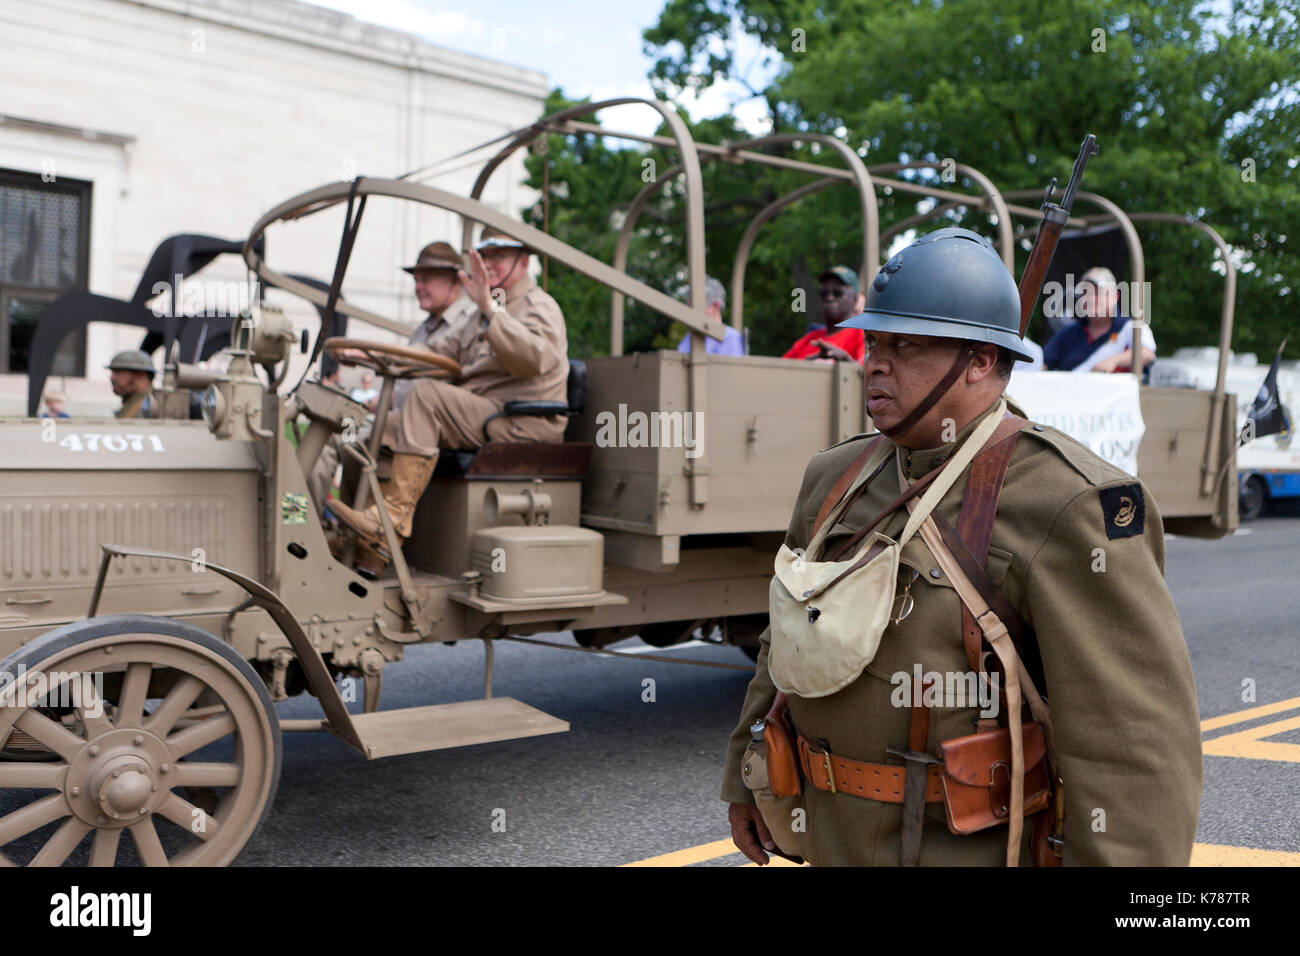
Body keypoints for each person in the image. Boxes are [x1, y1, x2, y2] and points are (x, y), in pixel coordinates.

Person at [724, 227, 1200, 866]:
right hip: (828, 837)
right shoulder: (834, 477)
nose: (876, 362)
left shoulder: (1067, 500)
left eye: (907, 345)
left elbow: (1132, 746)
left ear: (979, 360)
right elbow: (784, 636)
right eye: (874, 341)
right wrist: (747, 779)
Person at [331, 224, 569, 573]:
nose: (488, 264)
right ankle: (365, 546)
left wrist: (489, 307)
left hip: (522, 420)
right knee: (380, 429)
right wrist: (366, 353)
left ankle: (392, 520)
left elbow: (533, 358)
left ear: (524, 259)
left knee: (427, 396)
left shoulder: (538, 306)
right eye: (484, 256)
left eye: (498, 256)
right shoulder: (478, 314)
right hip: (484, 416)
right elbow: (436, 351)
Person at [307, 241, 474, 516]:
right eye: (416, 279)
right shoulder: (425, 327)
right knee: (322, 434)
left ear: (455, 279)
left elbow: (438, 375)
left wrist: (365, 352)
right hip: (398, 416)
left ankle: (307, 531)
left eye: (427, 278)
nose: (418, 286)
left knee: (340, 444)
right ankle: (304, 525)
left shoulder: (465, 322)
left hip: (425, 427)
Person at [1042, 267, 1156, 373]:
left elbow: (1147, 355)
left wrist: (1114, 361)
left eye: (1097, 293)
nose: (1091, 299)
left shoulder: (1131, 328)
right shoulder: (1067, 333)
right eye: (1085, 293)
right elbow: (1042, 364)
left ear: (1115, 296)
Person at [783, 265, 867, 362]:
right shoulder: (809, 340)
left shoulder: (863, 335)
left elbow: (870, 373)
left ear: (855, 299)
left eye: (837, 293)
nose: (829, 297)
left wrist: (846, 362)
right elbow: (777, 370)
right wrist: (809, 363)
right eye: (823, 293)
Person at [675, 277, 746, 355]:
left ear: (715, 307)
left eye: (693, 307)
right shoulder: (688, 338)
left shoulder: (729, 338)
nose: (689, 312)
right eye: (688, 306)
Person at [106, 350, 155, 419]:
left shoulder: (147, 408)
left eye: (118, 372)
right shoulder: (133, 404)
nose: (112, 378)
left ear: (140, 375)